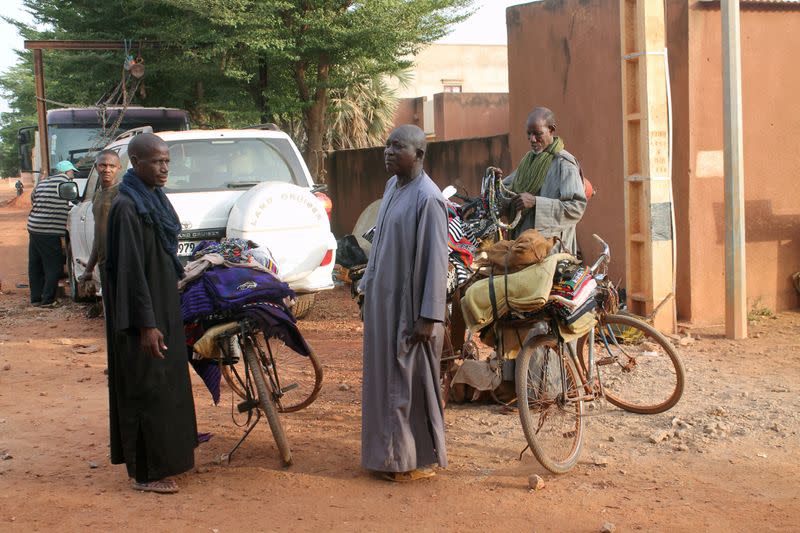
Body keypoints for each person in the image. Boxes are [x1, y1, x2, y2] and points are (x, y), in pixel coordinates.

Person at [104, 133, 197, 494]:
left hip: (162, 303)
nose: (164, 169)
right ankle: (146, 472)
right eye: (156, 162)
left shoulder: (153, 198)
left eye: (167, 162)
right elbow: (129, 272)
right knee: (146, 386)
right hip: (141, 315)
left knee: (166, 384)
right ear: (136, 162)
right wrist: (146, 325)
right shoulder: (127, 206)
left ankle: (170, 458)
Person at [360, 124, 449, 482]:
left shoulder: (429, 198)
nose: (388, 152)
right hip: (383, 305)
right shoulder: (392, 188)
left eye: (397, 147)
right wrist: (366, 287)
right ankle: (386, 455)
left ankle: (403, 461)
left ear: (419, 155)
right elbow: (379, 247)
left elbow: (435, 262)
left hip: (409, 309)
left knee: (403, 385)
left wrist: (429, 316)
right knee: (384, 382)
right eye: (387, 146)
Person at [499, 107, 587, 254]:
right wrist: (494, 184)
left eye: (538, 134)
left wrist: (535, 202)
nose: (532, 139)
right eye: (529, 134)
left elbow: (576, 207)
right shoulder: (528, 162)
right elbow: (507, 189)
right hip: (523, 245)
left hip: (552, 250)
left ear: (551, 130)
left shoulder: (564, 164)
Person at [26, 160, 77, 307]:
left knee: (35, 264)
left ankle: (35, 298)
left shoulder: (43, 182)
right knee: (53, 266)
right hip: (49, 231)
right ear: (67, 172)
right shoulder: (66, 183)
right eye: (72, 172)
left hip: (34, 227)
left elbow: (33, 199)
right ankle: (48, 300)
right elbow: (73, 202)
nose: (73, 175)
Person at [78, 150, 122, 288]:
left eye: (112, 166)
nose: (107, 170)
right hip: (104, 262)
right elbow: (99, 236)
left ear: (119, 168)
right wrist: (89, 269)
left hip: (121, 262)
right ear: (96, 167)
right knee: (109, 305)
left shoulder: (121, 194)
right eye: (103, 165)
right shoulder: (98, 194)